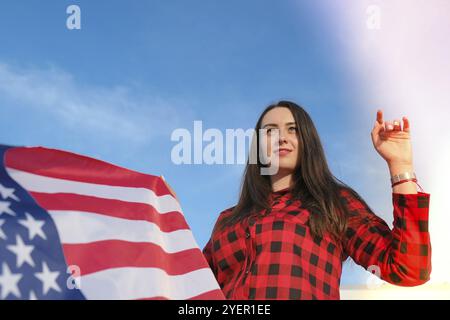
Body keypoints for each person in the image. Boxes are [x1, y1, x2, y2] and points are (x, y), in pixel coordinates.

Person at [201, 100, 431, 300]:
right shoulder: (227, 220)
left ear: (307, 142)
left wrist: (400, 166)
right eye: (270, 131)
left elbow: (408, 269)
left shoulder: (334, 202)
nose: (282, 138)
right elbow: (193, 285)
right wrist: (168, 213)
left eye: (293, 130)